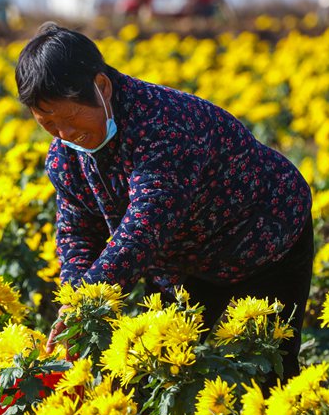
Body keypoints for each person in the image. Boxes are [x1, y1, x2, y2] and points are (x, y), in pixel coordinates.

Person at [16, 23, 313, 384]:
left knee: (266, 367)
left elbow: (146, 226)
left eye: (71, 117)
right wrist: (74, 298)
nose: (64, 133)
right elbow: (77, 232)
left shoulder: (164, 125)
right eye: (48, 123)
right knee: (162, 370)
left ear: (102, 86)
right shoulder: (66, 158)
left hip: (264, 236)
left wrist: (84, 301)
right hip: (182, 263)